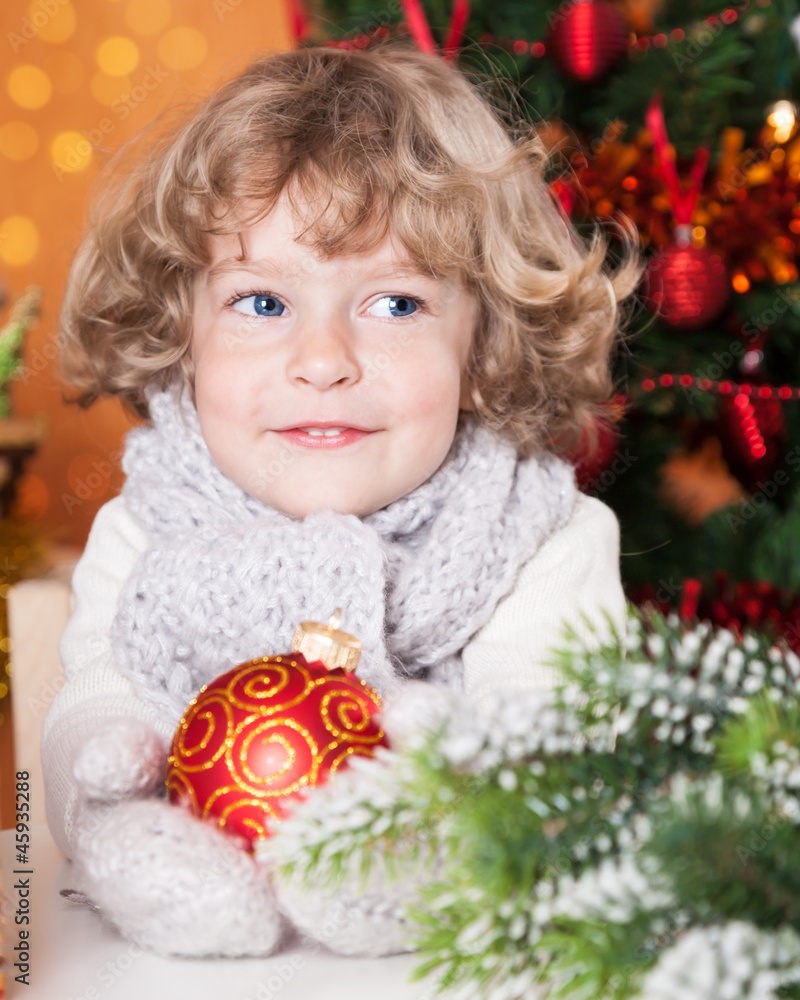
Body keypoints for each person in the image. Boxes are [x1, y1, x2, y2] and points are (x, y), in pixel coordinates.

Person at [42, 42, 642, 959]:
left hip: (470, 962)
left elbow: (568, 748)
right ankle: (158, 869)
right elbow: (98, 691)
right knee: (115, 800)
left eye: (395, 304)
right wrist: (104, 773)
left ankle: (400, 862)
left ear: (482, 346)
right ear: (182, 333)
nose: (323, 360)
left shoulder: (543, 536)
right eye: (262, 303)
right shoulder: (146, 523)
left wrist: (468, 766)